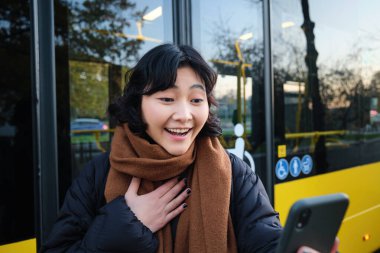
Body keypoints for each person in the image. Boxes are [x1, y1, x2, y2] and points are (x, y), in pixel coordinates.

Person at [41, 44, 337, 253]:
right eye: (167, 99)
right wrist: (123, 227)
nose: (184, 114)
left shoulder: (233, 171)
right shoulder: (100, 172)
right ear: (138, 106)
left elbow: (262, 236)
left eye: (196, 100)